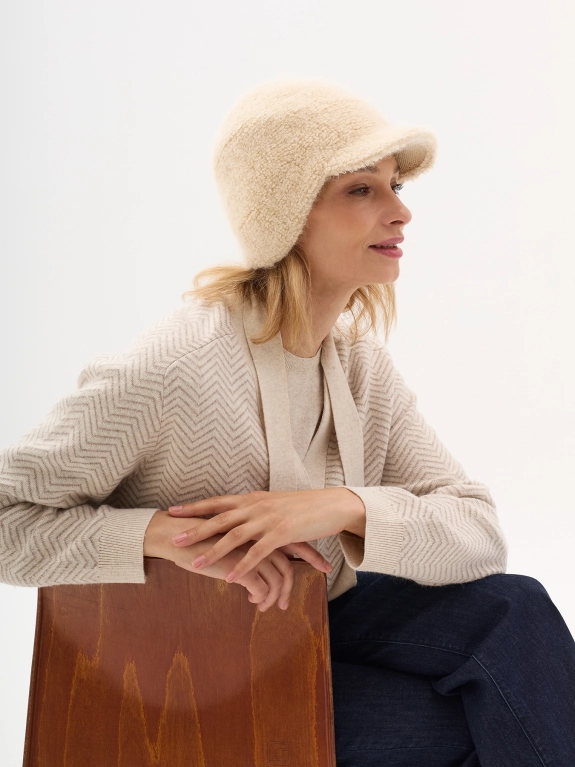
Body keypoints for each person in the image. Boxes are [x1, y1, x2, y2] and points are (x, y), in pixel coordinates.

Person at [1, 78, 574, 766]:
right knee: (484, 718)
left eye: (395, 185)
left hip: (307, 619)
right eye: (361, 189)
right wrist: (163, 536)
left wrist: (339, 506)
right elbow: (9, 518)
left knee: (512, 612)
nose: (400, 212)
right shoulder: (174, 366)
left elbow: (478, 534)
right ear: (287, 214)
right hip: (189, 667)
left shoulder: (357, 364)